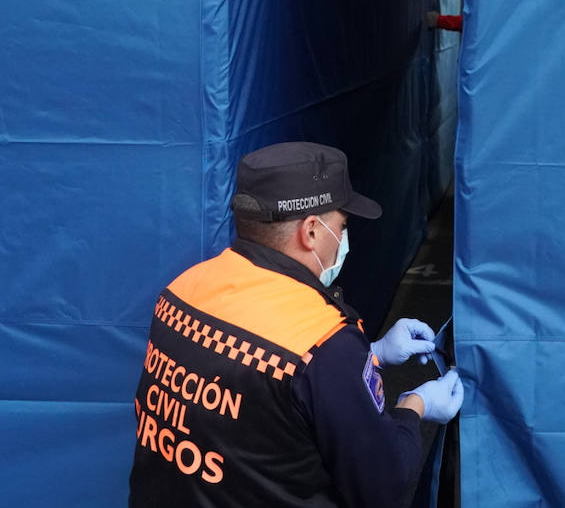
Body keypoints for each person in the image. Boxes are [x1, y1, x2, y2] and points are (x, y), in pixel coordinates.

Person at [129, 141, 464, 508]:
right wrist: (414, 405)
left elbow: (264, 398)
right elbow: (383, 486)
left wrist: (372, 357)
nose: (345, 238)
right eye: (343, 224)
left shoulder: (182, 291)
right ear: (312, 231)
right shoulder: (323, 343)